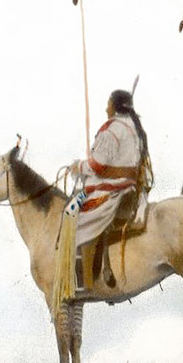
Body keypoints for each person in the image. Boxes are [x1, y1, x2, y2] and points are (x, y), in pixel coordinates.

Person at [73, 89, 153, 247]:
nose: (106, 108)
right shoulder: (136, 128)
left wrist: (78, 166)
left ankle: (87, 270)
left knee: (72, 213)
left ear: (115, 106)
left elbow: (97, 165)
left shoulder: (112, 129)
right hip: (131, 186)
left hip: (113, 188)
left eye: (108, 104)